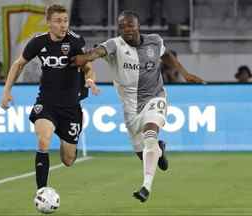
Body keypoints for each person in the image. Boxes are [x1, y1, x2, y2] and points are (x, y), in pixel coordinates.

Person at [72, 10, 204, 202]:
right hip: (130, 106)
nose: (126, 29)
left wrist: (185, 73)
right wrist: (85, 58)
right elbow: (97, 52)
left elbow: (166, 55)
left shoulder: (154, 41)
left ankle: (145, 187)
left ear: (138, 25)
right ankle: (159, 150)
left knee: (150, 135)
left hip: (154, 97)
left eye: (130, 25)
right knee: (143, 153)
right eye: (122, 26)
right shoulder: (114, 45)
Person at [0, 4, 99, 191]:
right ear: (48, 23)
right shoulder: (38, 42)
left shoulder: (76, 42)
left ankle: (69, 141)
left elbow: (88, 67)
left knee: (68, 159)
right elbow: (18, 64)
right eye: (58, 21)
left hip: (70, 106)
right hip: (47, 103)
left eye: (65, 21)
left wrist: (90, 80)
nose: (63, 25)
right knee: (43, 140)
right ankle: (42, 192)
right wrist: (6, 91)